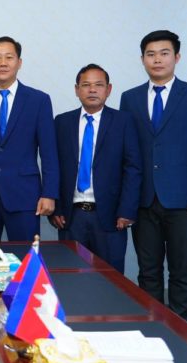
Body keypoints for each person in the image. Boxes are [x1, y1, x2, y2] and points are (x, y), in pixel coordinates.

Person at [120, 30, 187, 322]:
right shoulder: (130, 98)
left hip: (184, 199)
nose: (157, 59)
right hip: (143, 199)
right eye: (151, 54)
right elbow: (127, 152)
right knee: (148, 270)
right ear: (142, 59)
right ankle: (153, 327)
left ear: (177, 57)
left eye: (164, 53)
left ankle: (181, 330)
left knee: (181, 270)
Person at [0, 36, 59, 242]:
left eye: (9, 57)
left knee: (26, 256)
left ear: (19, 62)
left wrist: (49, 193)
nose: (3, 63)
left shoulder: (39, 100)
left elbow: (49, 152)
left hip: (25, 196)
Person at [52, 64, 142, 273]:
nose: (92, 90)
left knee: (110, 277)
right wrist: (56, 208)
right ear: (77, 90)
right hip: (71, 216)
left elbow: (133, 168)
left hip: (111, 215)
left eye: (99, 85)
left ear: (108, 89)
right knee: (71, 275)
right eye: (86, 85)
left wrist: (127, 210)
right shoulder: (62, 122)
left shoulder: (123, 121)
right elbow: (54, 166)